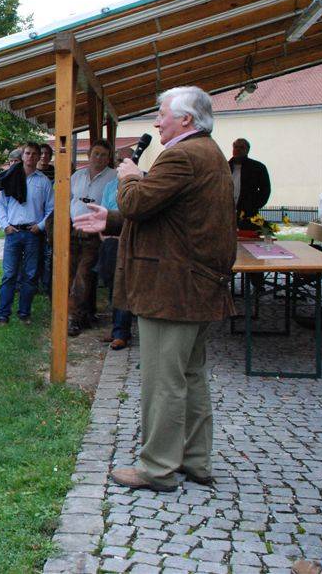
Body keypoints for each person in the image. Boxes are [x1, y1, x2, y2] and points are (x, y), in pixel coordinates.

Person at [74, 86, 235, 492]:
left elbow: (138, 204)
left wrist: (129, 177)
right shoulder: (208, 153)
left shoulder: (181, 155)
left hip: (173, 289)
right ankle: (195, 459)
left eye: (162, 114)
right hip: (194, 287)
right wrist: (109, 220)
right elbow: (166, 216)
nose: (157, 121)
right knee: (191, 375)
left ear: (186, 119)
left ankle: (157, 467)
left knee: (164, 381)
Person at [0, 142, 53, 326]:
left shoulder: (43, 181)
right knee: (9, 274)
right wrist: (5, 225)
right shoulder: (10, 178)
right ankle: (3, 315)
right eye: (27, 153)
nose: (31, 157)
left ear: (39, 157)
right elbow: (0, 206)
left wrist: (41, 226)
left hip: (32, 233)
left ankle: (24, 313)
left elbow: (51, 209)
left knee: (30, 275)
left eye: (35, 154)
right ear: (22, 156)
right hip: (13, 231)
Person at [67, 140, 116, 336]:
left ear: (109, 157)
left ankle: (75, 318)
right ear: (88, 154)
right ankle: (87, 312)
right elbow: (67, 199)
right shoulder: (77, 176)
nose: (99, 158)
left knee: (84, 274)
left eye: (103, 155)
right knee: (72, 273)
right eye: (96, 154)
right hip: (73, 231)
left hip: (95, 234)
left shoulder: (114, 177)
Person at [99, 172, 133, 351]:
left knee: (124, 285)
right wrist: (103, 234)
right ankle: (117, 329)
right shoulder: (110, 186)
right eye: (120, 160)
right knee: (112, 283)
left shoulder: (138, 183)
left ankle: (121, 332)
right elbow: (104, 211)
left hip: (128, 241)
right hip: (110, 240)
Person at [230, 138, 271, 229]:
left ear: (247, 150)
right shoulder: (225, 167)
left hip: (248, 214)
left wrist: (254, 205)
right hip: (227, 212)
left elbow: (265, 190)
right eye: (236, 147)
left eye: (242, 147)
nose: (238, 149)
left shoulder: (258, 168)